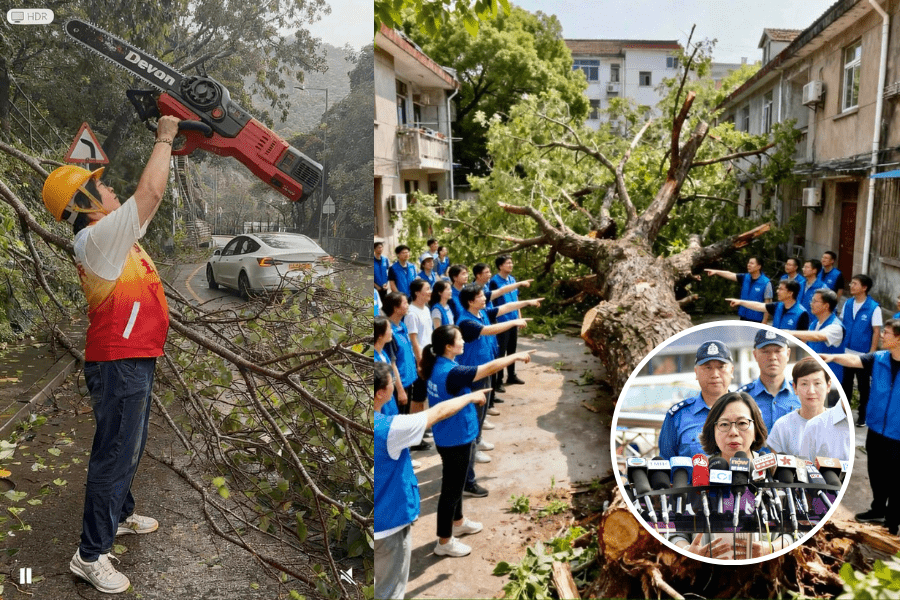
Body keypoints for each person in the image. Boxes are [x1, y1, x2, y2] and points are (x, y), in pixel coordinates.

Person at [41, 115, 181, 593]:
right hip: (119, 360)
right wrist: (165, 137)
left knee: (128, 446)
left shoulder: (114, 235)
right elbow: (150, 193)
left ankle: (119, 515)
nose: (111, 189)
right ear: (84, 203)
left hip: (132, 356)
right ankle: (90, 554)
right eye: (100, 187)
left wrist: (169, 151)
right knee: (115, 453)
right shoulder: (98, 238)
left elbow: (148, 200)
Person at [374, 361, 487, 599]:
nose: (396, 384)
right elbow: (437, 413)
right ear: (381, 393)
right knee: (390, 590)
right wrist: (469, 397)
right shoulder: (387, 429)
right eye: (392, 382)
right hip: (388, 525)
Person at [421, 326, 534, 556]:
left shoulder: (438, 366)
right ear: (448, 347)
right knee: (451, 490)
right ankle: (444, 542)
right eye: (460, 339)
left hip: (450, 435)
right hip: (455, 438)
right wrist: (514, 356)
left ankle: (458, 522)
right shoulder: (452, 372)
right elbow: (488, 368)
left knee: (457, 483)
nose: (463, 341)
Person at [671, 392, 791, 559]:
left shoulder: (772, 470)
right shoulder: (698, 471)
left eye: (742, 423)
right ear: (713, 431)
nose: (733, 432)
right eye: (724, 424)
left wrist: (773, 549)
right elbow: (673, 530)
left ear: (756, 429)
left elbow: (796, 530)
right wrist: (687, 551)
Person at [821, 319, 900, 535]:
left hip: (898, 434)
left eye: (887, 332)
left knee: (896, 479)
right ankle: (878, 509)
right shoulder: (879, 358)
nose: (882, 335)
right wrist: (833, 357)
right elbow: (855, 359)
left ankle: (893, 521)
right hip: (876, 429)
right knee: (876, 472)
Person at [457, 283, 541, 475]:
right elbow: (489, 330)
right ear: (470, 301)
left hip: (486, 368)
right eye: (480, 296)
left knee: (483, 409)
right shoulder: (467, 322)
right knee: (475, 412)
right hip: (475, 372)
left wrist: (526, 302)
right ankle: (473, 448)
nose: (484, 298)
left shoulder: (481, 312)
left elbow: (505, 307)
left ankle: (478, 440)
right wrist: (514, 323)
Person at [658, 340, 735, 459]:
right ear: (696, 372)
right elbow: (665, 462)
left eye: (721, 367)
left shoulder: (746, 411)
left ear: (731, 371)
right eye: (708, 367)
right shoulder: (677, 416)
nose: (715, 374)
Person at [786, 288, 845, 401]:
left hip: (830, 384)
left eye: (815, 301)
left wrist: (790, 332)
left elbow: (818, 336)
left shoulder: (836, 327)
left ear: (826, 306)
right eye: (811, 300)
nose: (811, 304)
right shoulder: (814, 324)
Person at [737, 329, 800, 432]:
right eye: (765, 351)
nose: (772, 357)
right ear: (755, 355)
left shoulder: (803, 395)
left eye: (778, 351)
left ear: (788, 354)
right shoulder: (740, 398)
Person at [840, 274, 882, 427]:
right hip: (846, 352)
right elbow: (842, 324)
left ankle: (862, 416)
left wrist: (871, 353)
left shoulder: (873, 307)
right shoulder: (848, 303)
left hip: (863, 355)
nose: (851, 286)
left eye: (855, 283)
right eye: (851, 283)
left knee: (864, 387)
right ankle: (844, 413)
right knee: (845, 385)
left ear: (864, 288)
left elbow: (876, 332)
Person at [767, 357, 830, 457]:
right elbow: (775, 465)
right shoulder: (782, 426)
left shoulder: (842, 424)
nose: (811, 391)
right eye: (804, 384)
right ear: (795, 388)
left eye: (817, 383)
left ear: (828, 386)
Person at [490, 255, 531, 391]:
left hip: (514, 319)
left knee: (512, 350)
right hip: (502, 321)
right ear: (500, 266)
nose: (511, 265)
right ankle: (498, 381)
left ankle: (511, 375)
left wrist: (520, 316)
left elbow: (516, 299)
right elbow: (492, 303)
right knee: (501, 352)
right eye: (508, 263)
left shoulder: (512, 280)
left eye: (511, 263)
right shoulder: (494, 282)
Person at [405, 279, 434, 451]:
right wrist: (420, 362)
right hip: (420, 359)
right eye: (427, 289)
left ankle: (420, 430)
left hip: (429, 357)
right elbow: (414, 340)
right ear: (417, 293)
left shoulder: (426, 309)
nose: (430, 291)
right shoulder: (411, 312)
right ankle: (414, 437)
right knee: (418, 398)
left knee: (423, 397)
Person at [705, 257, 772, 323]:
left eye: (752, 263)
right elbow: (730, 274)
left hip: (757, 320)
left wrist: (764, 321)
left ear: (759, 266)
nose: (748, 265)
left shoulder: (766, 283)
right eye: (748, 263)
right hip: (743, 318)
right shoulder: (745, 278)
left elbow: (768, 304)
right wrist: (716, 272)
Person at [726, 279, 808, 331]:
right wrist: (740, 302)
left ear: (790, 293)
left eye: (781, 289)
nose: (777, 291)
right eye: (778, 288)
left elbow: (803, 338)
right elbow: (758, 306)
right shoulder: (777, 306)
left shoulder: (802, 313)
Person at [383, 292, 416, 418]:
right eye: (405, 303)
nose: (408, 306)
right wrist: (400, 390)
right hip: (399, 385)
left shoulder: (402, 325)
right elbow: (392, 364)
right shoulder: (389, 332)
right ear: (396, 308)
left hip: (408, 380)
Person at [374, 316, 399, 416]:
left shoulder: (383, 353)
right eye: (389, 328)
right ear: (380, 335)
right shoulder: (375, 360)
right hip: (383, 409)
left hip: (390, 403)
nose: (392, 331)